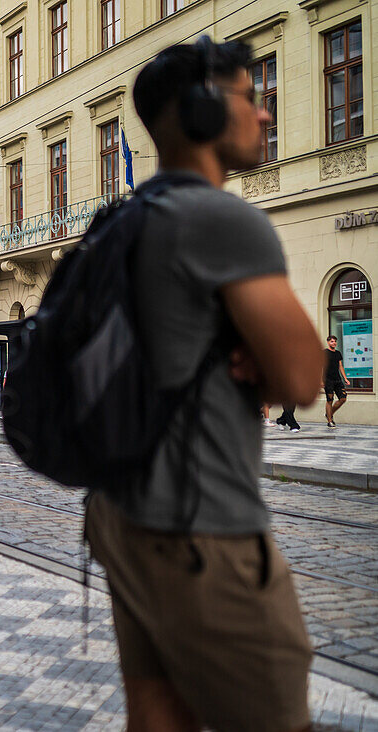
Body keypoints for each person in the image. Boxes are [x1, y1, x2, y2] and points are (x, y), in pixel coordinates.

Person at [83, 38, 322, 731]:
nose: (267, 114)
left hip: (119, 517)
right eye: (253, 96)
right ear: (203, 109)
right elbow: (303, 377)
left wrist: (251, 344)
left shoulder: (121, 222)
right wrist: (258, 346)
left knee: (158, 715)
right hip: (202, 531)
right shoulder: (223, 220)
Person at [324, 335, 348, 428]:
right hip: (328, 380)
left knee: (343, 398)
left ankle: (329, 413)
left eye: (335, 341)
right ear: (328, 342)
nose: (334, 343)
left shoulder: (338, 353)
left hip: (337, 379)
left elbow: (340, 366)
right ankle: (330, 421)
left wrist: (345, 378)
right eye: (332, 341)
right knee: (330, 400)